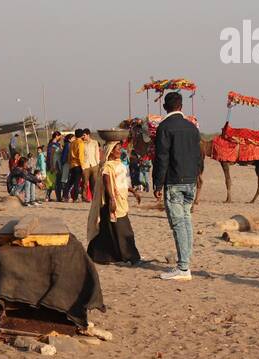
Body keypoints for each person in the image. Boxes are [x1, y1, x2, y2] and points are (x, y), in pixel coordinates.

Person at [153, 92, 203, 280]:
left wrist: (158, 183)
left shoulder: (165, 127)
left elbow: (162, 158)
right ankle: (186, 261)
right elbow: (198, 157)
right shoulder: (192, 128)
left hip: (174, 181)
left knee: (179, 223)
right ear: (181, 106)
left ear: (166, 107)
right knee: (186, 220)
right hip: (190, 180)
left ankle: (183, 268)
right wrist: (196, 176)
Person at [87, 140, 141, 264]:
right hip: (113, 202)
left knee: (108, 229)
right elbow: (107, 184)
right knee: (124, 230)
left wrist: (133, 191)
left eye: (120, 148)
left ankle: (99, 255)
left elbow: (121, 182)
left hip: (121, 200)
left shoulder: (119, 164)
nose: (119, 151)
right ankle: (131, 257)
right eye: (117, 148)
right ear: (110, 151)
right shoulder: (107, 167)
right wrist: (112, 199)